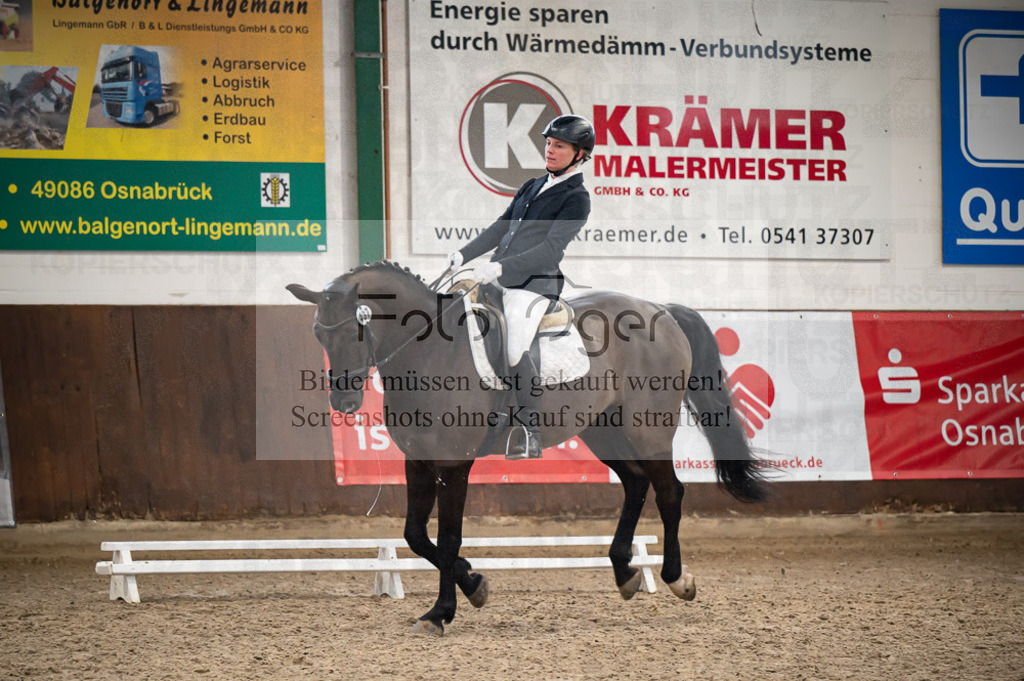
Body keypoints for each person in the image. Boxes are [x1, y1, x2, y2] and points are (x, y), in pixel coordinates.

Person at [447, 114, 595, 459]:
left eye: (559, 146)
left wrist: (499, 266)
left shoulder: (577, 198)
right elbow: (502, 227)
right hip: (498, 278)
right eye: (548, 143)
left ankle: (530, 430)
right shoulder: (533, 185)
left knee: (515, 346)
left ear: (579, 154)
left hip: (534, 286)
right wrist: (463, 254)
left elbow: (550, 250)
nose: (550, 150)